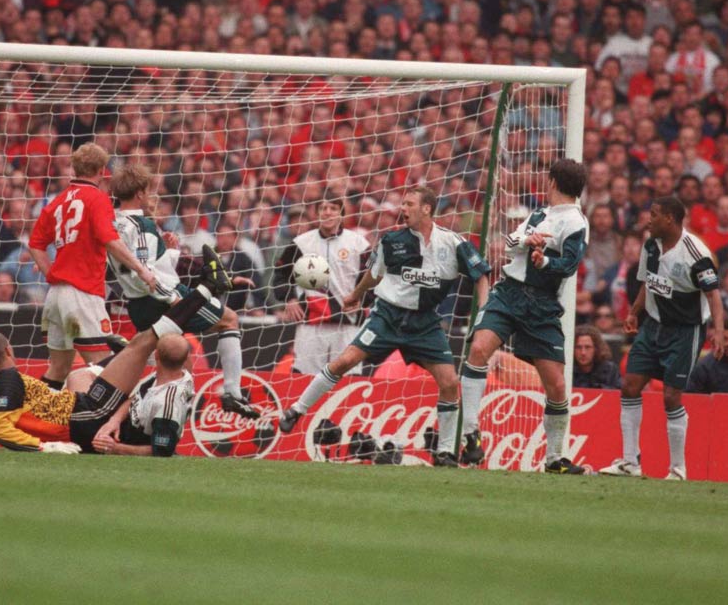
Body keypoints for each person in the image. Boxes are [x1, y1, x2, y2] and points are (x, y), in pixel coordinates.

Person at [277, 187, 491, 468]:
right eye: (402, 203)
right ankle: (296, 410)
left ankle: (446, 450)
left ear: (426, 209)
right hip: (388, 316)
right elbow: (374, 275)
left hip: (425, 322)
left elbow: (482, 275)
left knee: (450, 382)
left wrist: (483, 316)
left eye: (409, 203)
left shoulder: (453, 243)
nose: (403, 208)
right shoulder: (392, 240)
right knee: (346, 360)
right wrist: (355, 295)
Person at [0, 246, 234, 454]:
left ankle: (120, 355)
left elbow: (31, 413)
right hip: (86, 413)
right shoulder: (7, 379)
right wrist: (42, 446)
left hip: (79, 414)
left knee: (80, 375)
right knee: (144, 342)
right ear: (8, 350)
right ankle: (207, 288)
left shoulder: (6, 384)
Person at [459, 159, 589, 474]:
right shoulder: (537, 214)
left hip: (542, 305)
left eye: (547, 180)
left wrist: (545, 263)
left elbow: (570, 265)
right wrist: (525, 241)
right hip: (509, 293)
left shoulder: (576, 223)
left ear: (554, 182)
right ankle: (470, 434)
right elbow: (509, 244)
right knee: (478, 350)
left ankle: (555, 459)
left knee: (556, 386)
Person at [109, 164, 259, 419]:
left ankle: (147, 412)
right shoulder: (142, 224)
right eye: (148, 191)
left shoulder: (111, 223)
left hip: (137, 304)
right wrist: (176, 298)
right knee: (229, 320)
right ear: (140, 194)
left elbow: (141, 265)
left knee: (174, 358)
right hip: (162, 299)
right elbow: (144, 270)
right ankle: (232, 392)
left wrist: (166, 250)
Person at [601, 195, 724, 480]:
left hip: (685, 330)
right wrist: (634, 312)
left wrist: (717, 330)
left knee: (671, 396)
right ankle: (630, 462)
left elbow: (713, 296)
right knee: (630, 385)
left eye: (654, 215)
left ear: (670, 218)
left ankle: (678, 468)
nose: (648, 219)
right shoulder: (650, 246)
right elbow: (648, 282)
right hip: (653, 326)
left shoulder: (696, 254)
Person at [28, 143, 158, 389]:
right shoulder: (97, 198)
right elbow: (110, 240)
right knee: (105, 366)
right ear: (101, 170)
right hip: (82, 294)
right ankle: (95, 424)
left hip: (55, 297)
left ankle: (38, 420)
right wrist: (142, 269)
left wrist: (51, 274)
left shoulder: (58, 201)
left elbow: (35, 244)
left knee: (58, 369)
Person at [273, 191, 371, 374]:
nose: (327, 212)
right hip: (311, 324)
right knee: (303, 378)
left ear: (341, 214)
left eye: (333, 208)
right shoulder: (301, 243)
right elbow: (280, 275)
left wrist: (363, 300)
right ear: (316, 214)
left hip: (348, 324)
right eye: (322, 208)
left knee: (348, 381)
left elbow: (372, 279)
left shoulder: (359, 244)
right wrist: (290, 299)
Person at [572, 325, 621, 390]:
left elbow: (617, 394)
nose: (583, 352)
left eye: (588, 347)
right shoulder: (567, 369)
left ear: (596, 348)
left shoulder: (610, 369)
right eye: (578, 347)